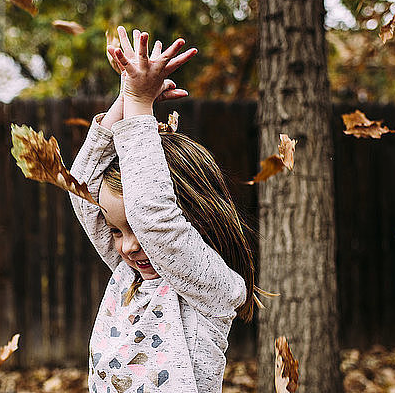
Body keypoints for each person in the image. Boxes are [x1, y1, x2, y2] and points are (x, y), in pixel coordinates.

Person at [69, 26, 273, 393]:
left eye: (136, 230)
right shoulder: (129, 275)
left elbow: (155, 220)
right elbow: (81, 190)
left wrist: (140, 105)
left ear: (193, 218)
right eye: (117, 231)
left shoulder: (209, 285)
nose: (129, 246)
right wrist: (125, 100)